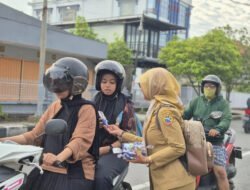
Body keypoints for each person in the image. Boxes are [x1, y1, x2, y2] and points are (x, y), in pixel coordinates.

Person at [0, 57, 98, 190]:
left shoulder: (87, 109)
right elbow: (33, 135)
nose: (57, 89)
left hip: (73, 172)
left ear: (77, 84)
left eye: (61, 85)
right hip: (46, 167)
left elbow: (79, 141)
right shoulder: (55, 106)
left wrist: (58, 158)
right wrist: (3, 141)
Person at [105, 67, 196, 190]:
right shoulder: (156, 108)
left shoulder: (165, 111)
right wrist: (120, 133)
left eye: (144, 85)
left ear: (155, 86)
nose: (141, 88)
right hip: (164, 180)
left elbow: (178, 147)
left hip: (175, 183)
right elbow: (149, 142)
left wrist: (148, 159)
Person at [93, 60, 140, 190]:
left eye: (112, 82)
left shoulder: (126, 105)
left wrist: (108, 147)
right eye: (104, 81)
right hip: (93, 149)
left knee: (101, 177)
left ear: (118, 84)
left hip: (117, 151)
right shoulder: (93, 102)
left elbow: (131, 137)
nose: (107, 85)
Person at [183, 74, 232, 190]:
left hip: (214, 143)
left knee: (220, 172)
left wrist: (218, 129)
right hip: (195, 140)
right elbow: (185, 115)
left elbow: (226, 119)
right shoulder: (196, 101)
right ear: (202, 87)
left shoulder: (222, 103)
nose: (208, 88)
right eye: (206, 86)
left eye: (212, 86)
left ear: (217, 89)